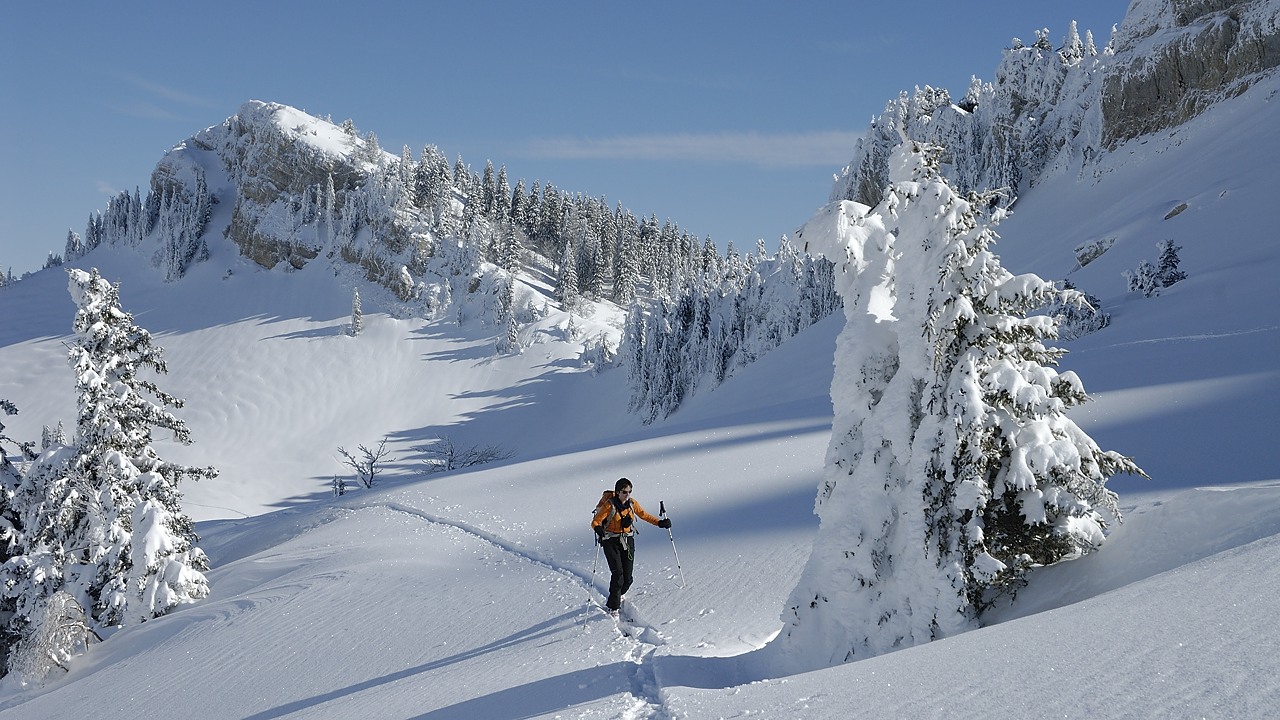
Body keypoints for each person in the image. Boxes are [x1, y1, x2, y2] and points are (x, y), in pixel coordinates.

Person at [591, 477, 671, 614]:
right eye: (624, 492)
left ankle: (616, 595)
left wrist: (660, 523)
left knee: (627, 578)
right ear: (617, 492)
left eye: (629, 491)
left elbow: (644, 515)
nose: (627, 495)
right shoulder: (609, 505)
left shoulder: (632, 504)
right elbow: (595, 522)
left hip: (627, 540)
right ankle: (612, 607)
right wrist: (598, 529)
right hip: (610, 540)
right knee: (618, 574)